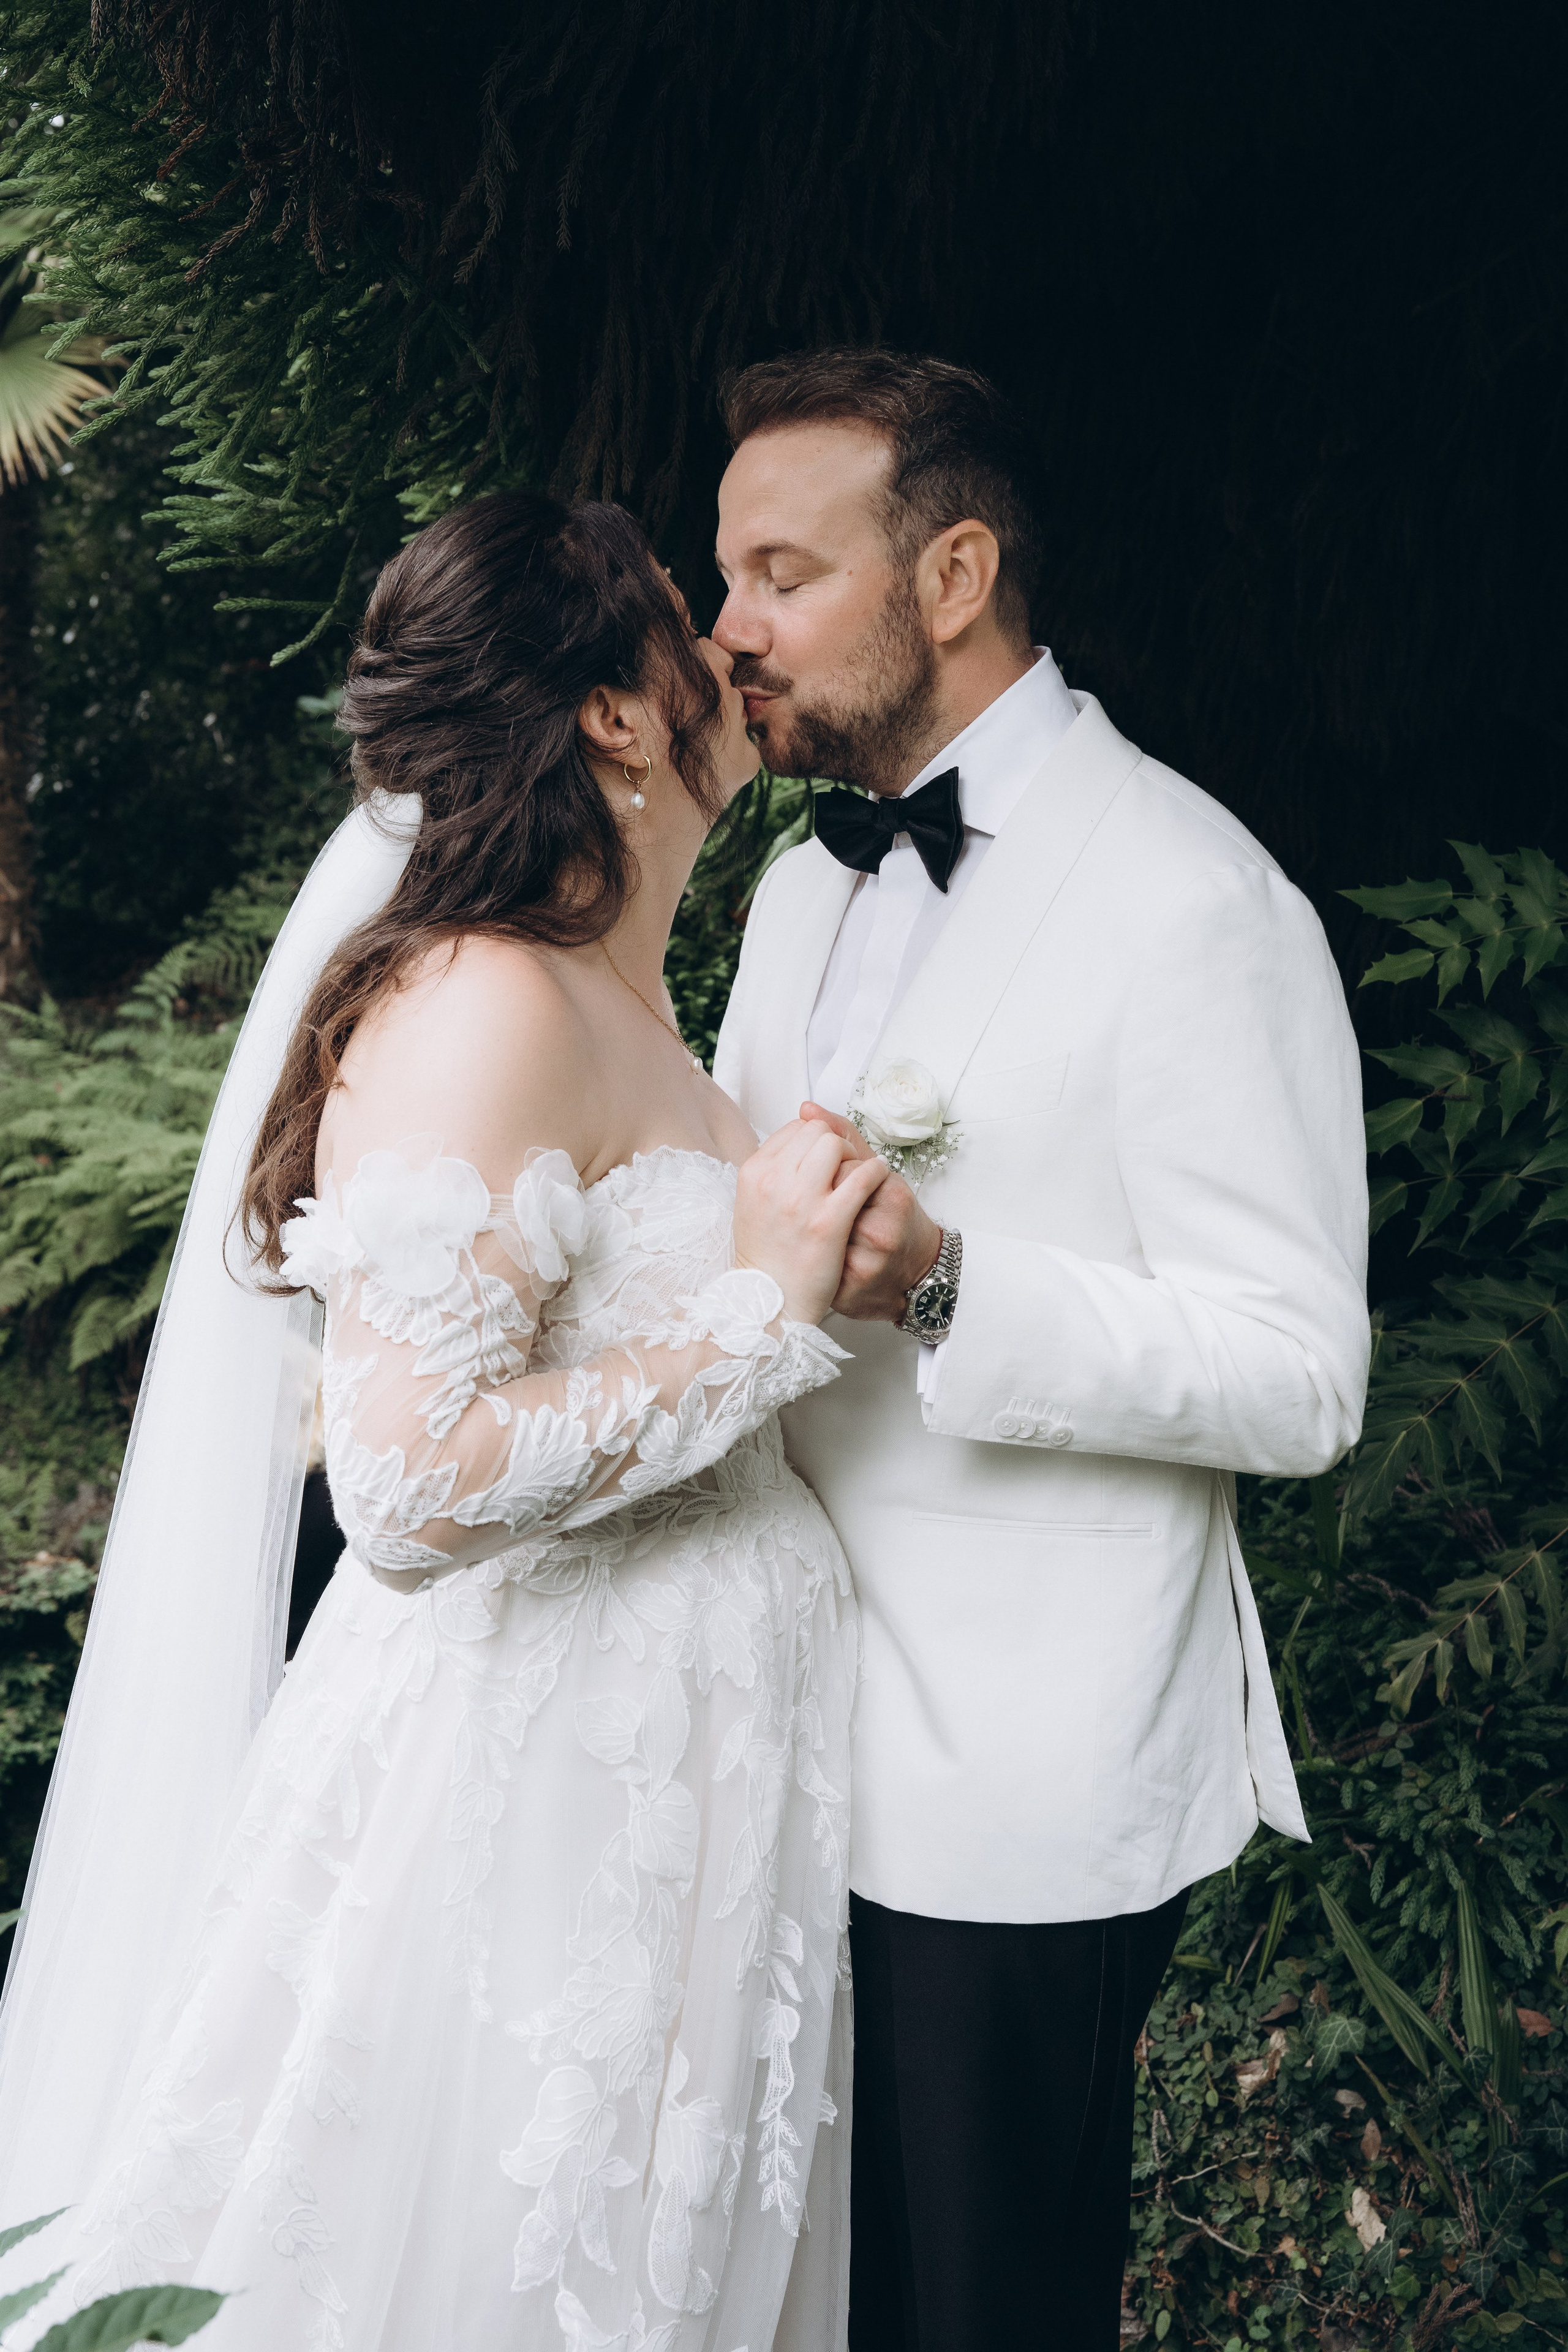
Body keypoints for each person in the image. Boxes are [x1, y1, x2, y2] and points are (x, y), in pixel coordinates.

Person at [0, 493, 889, 2350]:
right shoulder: (486, 999)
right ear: (619, 717)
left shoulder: (633, 1005)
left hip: (700, 1808)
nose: (728, 640)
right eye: (680, 611)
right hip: (544, 1803)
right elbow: (405, 1483)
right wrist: (766, 1314)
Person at [710, 348, 1371, 2349]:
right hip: (761, 1730)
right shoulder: (793, 890)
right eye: (721, 574)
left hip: (1019, 1775)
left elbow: (1300, 1372)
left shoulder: (1197, 900)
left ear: (953, 573)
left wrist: (947, 1284)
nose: (726, 631)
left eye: (776, 573)